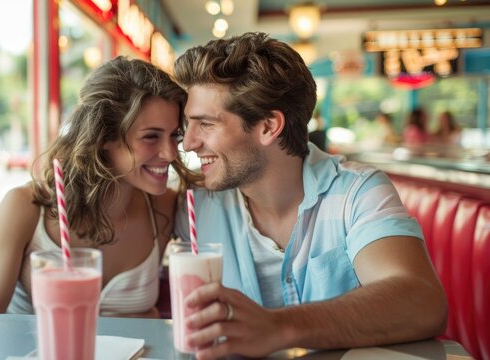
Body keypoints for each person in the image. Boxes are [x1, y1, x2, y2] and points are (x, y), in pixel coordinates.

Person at [173, 32, 447, 360]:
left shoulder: (356, 193)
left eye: (205, 124)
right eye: (188, 124)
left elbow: (420, 301)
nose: (188, 143)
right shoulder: (194, 206)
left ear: (267, 127)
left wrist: (278, 327)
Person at [0, 56, 200, 324]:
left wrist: (152, 318)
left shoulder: (163, 206)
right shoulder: (25, 206)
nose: (170, 153)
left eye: (174, 136)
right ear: (104, 137)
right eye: (151, 136)